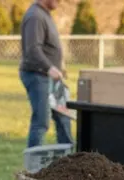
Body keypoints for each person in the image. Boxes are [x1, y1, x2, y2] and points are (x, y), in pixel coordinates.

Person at [19, 0, 72, 148]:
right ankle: (34, 166)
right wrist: (50, 68)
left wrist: (60, 65)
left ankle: (70, 162)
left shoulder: (45, 14)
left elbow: (49, 46)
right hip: (38, 76)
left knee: (63, 117)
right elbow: (32, 49)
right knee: (41, 121)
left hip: (52, 78)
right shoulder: (35, 16)